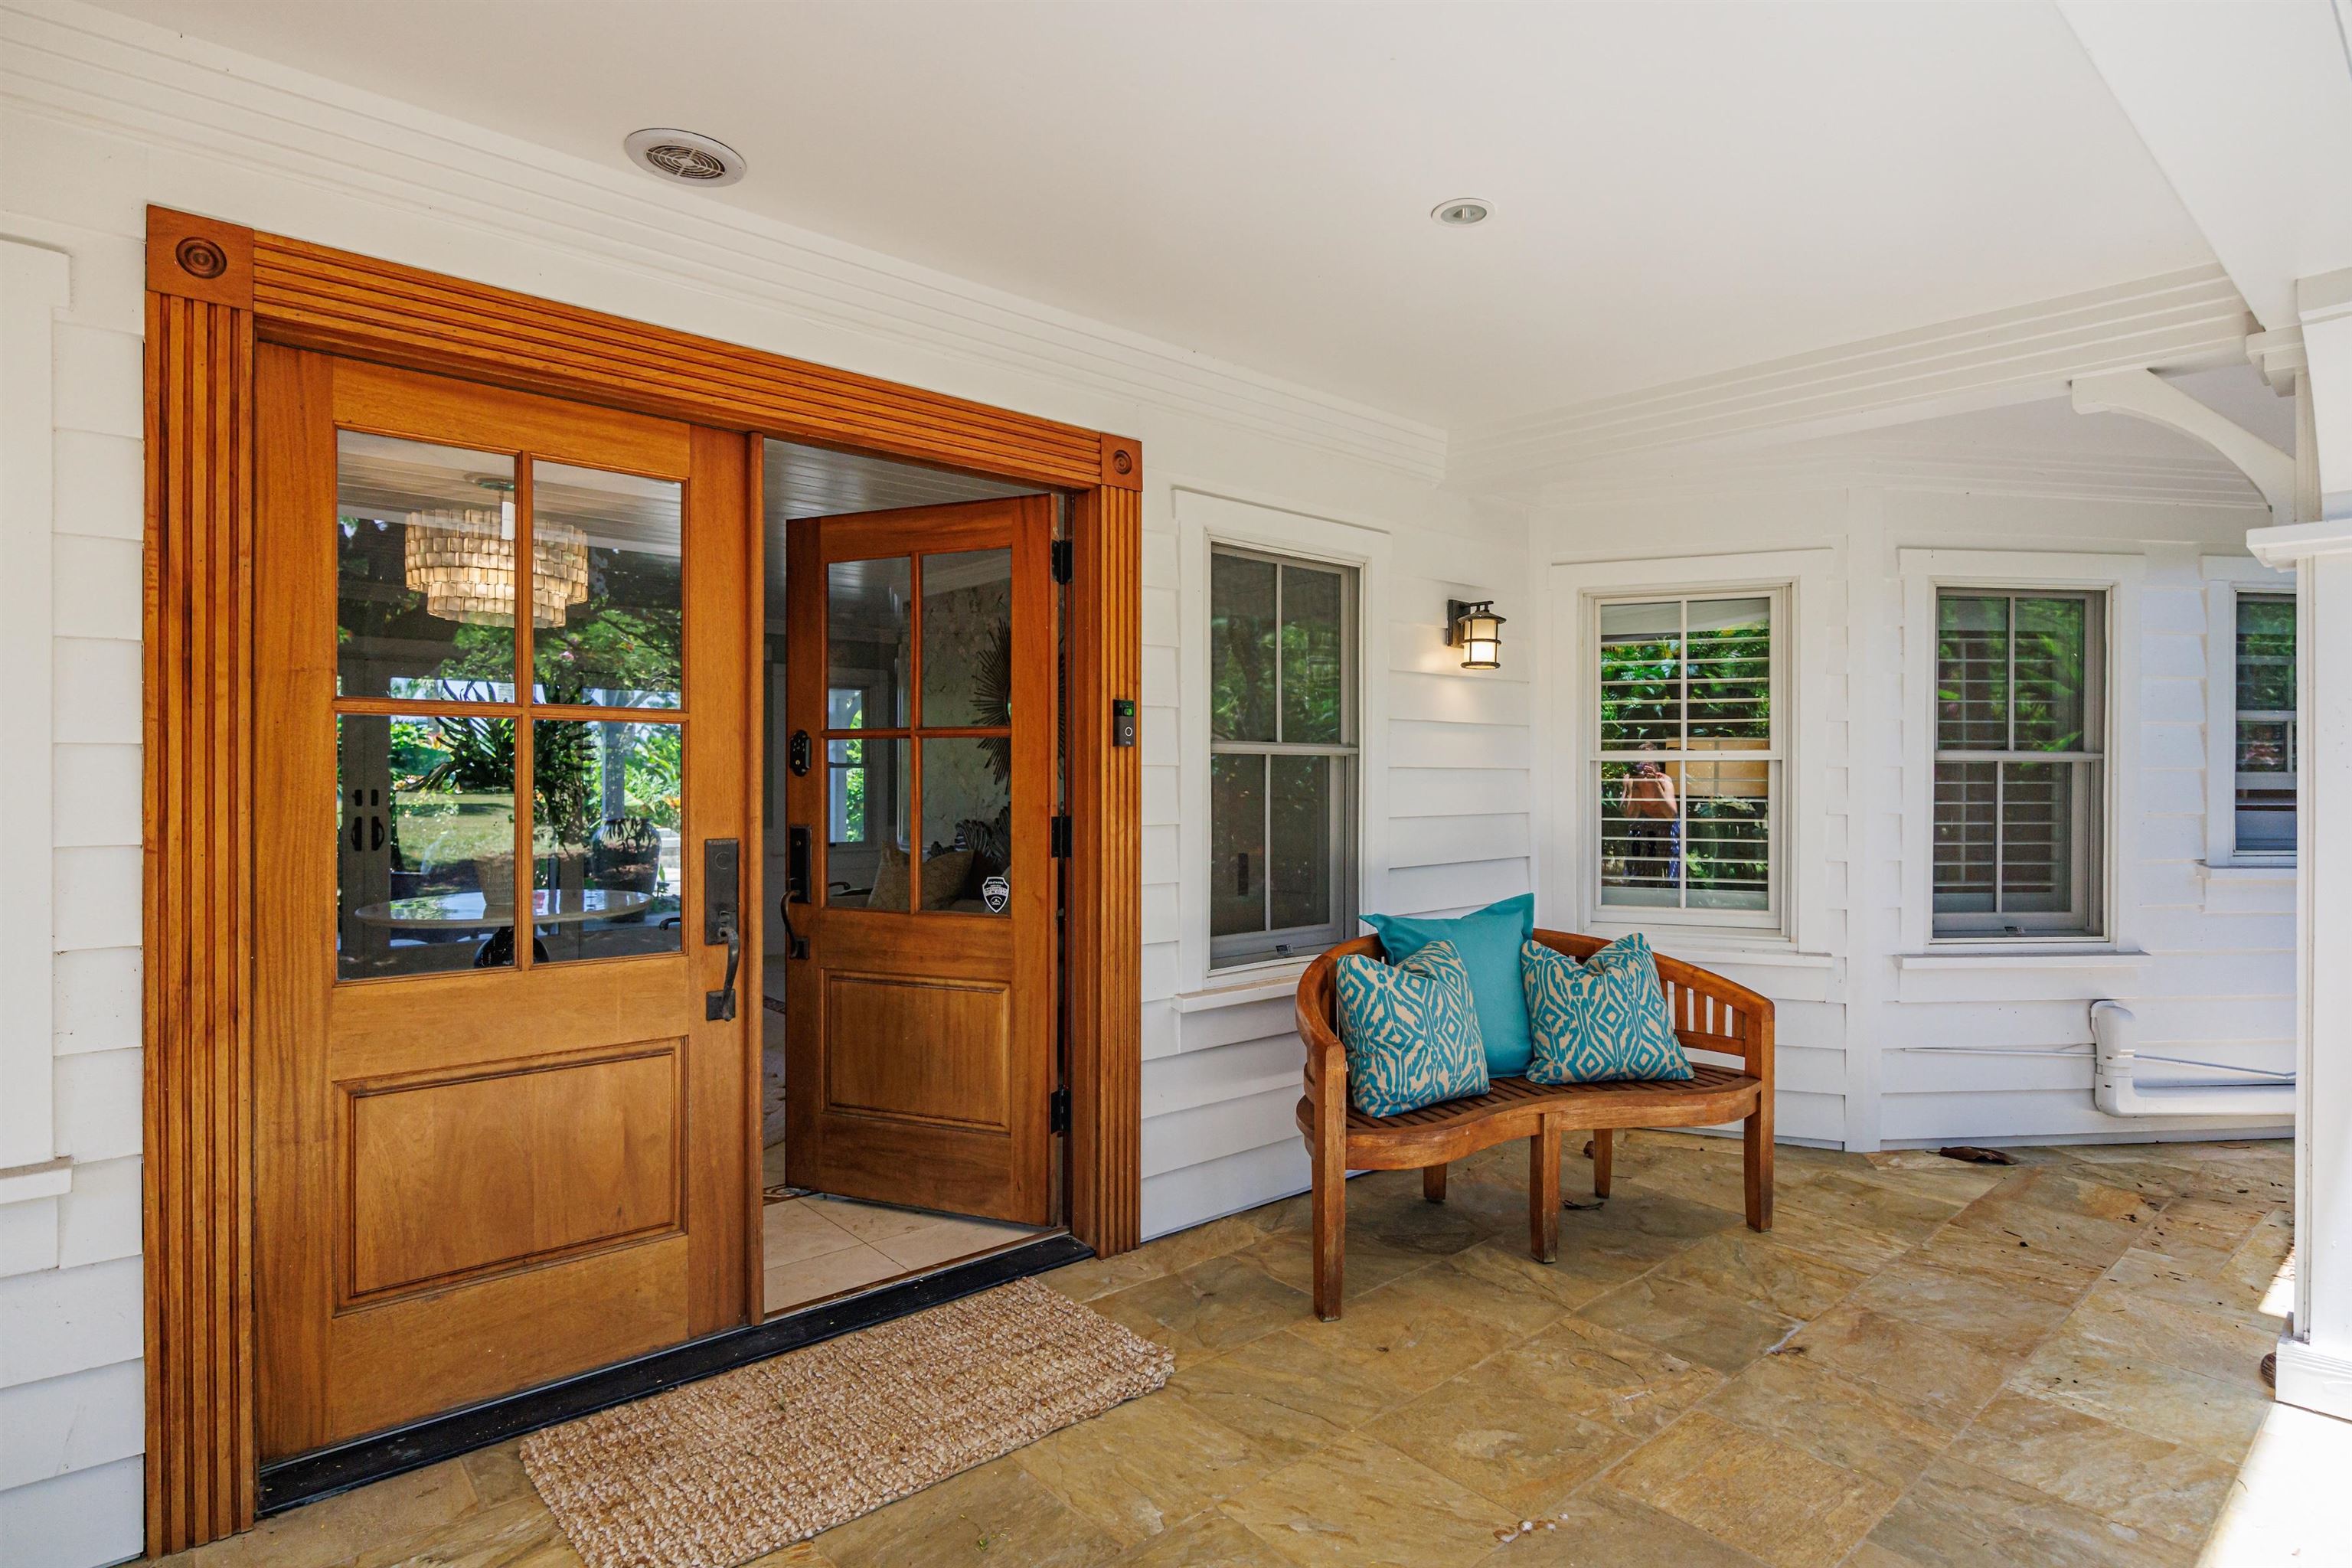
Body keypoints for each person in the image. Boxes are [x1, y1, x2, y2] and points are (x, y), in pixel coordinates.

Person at [1622, 759, 1679, 887]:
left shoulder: (1664, 780)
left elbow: (1672, 815)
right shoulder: (1632, 780)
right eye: (1641, 765)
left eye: (1648, 765)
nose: (1644, 769)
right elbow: (1629, 815)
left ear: (1655, 766)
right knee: (1637, 836)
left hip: (1666, 825)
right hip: (1645, 825)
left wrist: (1656, 785)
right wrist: (1633, 791)